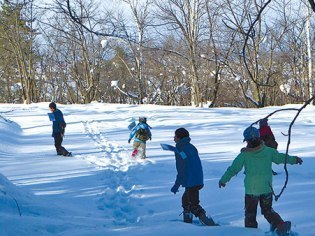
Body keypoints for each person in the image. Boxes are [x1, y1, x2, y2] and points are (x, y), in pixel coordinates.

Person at [218, 126, 303, 235]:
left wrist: (223, 180)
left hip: (251, 191)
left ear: (247, 141)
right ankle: (280, 225)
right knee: (268, 211)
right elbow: (281, 158)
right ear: (259, 138)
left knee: (250, 214)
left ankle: (251, 233)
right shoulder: (268, 151)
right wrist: (294, 159)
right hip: (266, 188)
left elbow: (234, 168)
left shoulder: (244, 154)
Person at [171, 128, 217, 226]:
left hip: (190, 180)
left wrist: (177, 184)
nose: (173, 138)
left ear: (179, 138)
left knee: (193, 205)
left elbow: (182, 168)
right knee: (185, 201)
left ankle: (209, 223)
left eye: (175, 136)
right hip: (197, 179)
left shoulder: (180, 149)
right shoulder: (191, 146)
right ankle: (188, 223)